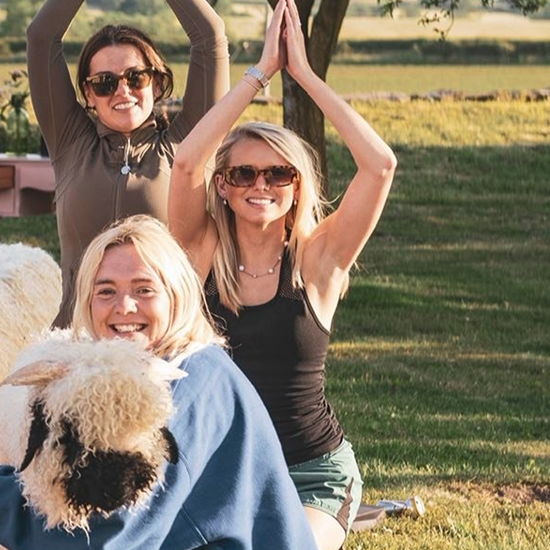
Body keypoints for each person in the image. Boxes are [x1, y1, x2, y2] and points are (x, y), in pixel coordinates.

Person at [167, 0, 397, 546]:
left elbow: (380, 165)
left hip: (313, 475)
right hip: (218, 471)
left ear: (297, 185)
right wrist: (260, 74)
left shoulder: (318, 260)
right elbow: (186, 162)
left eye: (278, 174)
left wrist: (305, 76)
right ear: (223, 185)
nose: (260, 185)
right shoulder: (200, 251)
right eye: (243, 173)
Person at [0, 215, 315, 549]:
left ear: (176, 295)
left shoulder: (184, 385)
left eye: (144, 289)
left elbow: (110, 533)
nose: (124, 306)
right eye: (106, 291)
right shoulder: (145, 375)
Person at [27, 0, 228, 326]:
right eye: (104, 83)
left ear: (157, 83)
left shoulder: (189, 146)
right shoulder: (71, 143)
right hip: (80, 341)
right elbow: (41, 37)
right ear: (88, 94)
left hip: (167, 340)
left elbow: (210, 36)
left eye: (136, 78)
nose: (122, 91)